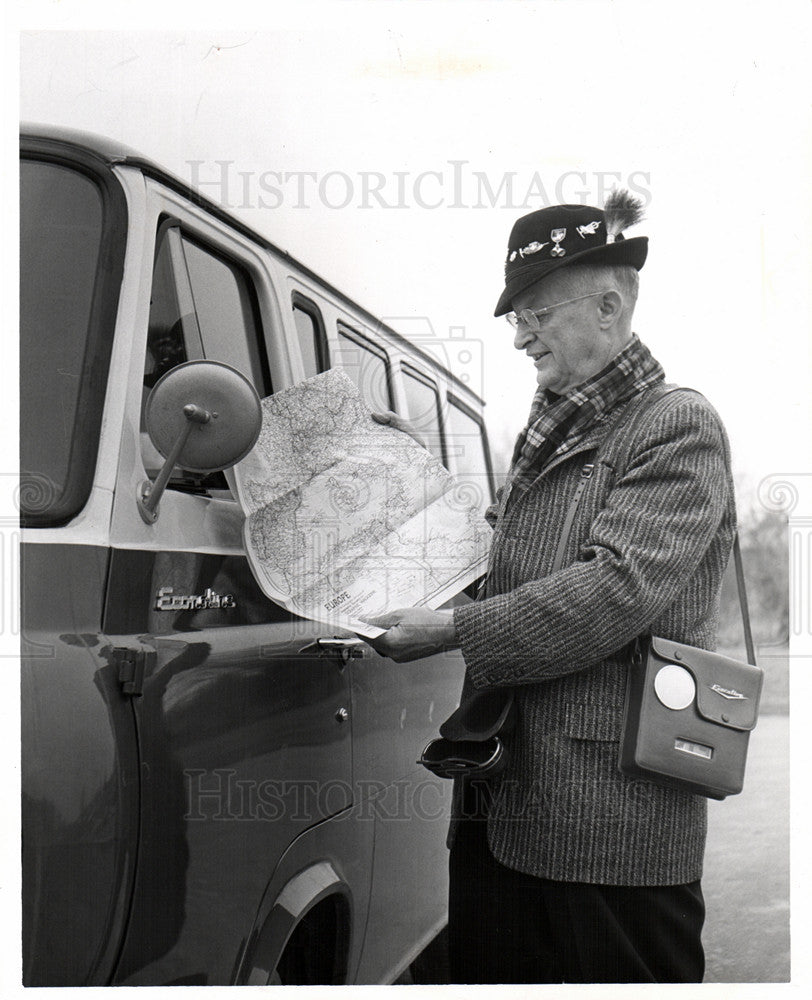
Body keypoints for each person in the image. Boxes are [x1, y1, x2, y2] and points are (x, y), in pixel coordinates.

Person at [366, 191, 736, 984]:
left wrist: (455, 632)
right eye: (515, 316)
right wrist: (414, 481)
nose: (521, 334)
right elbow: (503, 558)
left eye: (536, 310)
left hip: (610, 824)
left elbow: (614, 592)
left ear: (608, 306)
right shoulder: (556, 426)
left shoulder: (675, 425)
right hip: (505, 799)